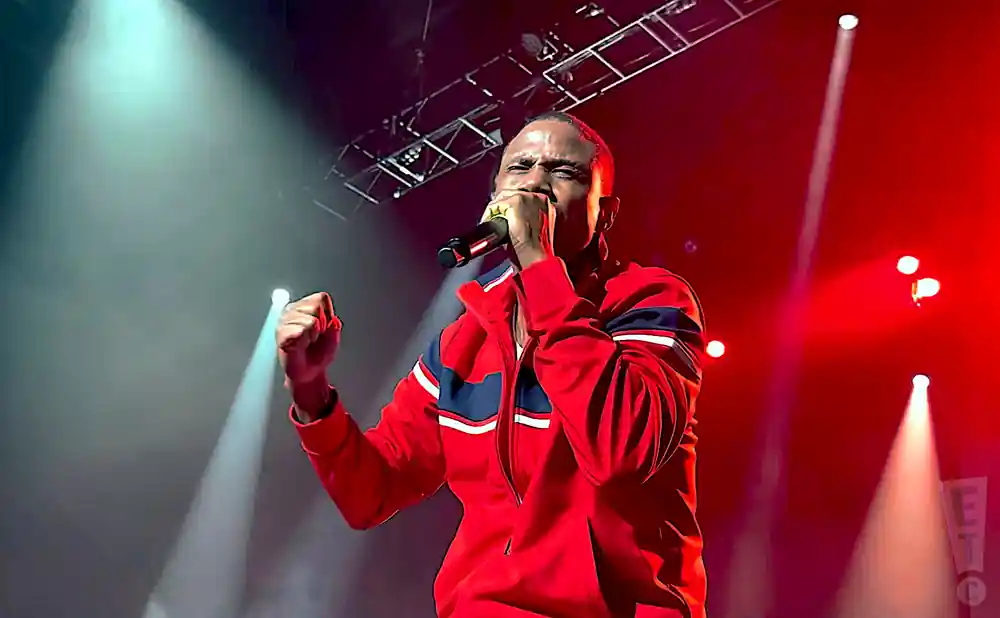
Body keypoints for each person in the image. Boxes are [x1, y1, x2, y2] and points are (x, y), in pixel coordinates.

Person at [276, 112, 707, 618]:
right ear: (496, 189)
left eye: (563, 172)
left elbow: (621, 450)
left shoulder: (648, 301)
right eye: (519, 167)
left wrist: (539, 264)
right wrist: (310, 389)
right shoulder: (465, 340)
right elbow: (370, 493)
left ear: (604, 213)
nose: (535, 185)